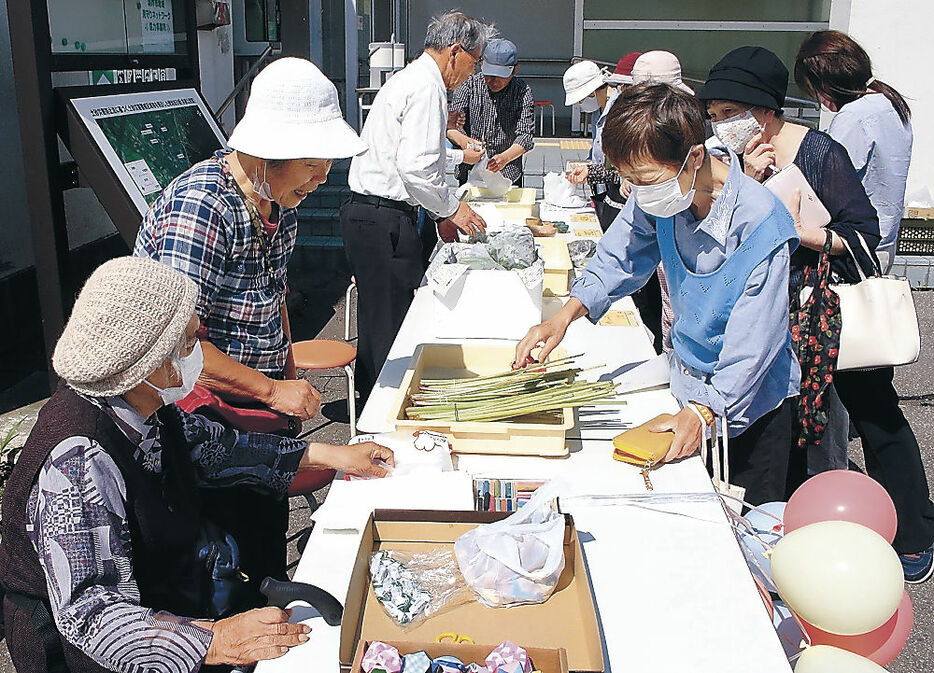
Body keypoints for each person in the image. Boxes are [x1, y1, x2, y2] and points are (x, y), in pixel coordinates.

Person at [0, 257, 395, 673]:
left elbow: (218, 448)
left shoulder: (143, 403)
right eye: (189, 343)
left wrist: (333, 455)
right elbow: (93, 614)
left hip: (159, 608)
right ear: (149, 363)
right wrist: (216, 641)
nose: (199, 358)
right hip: (91, 654)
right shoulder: (77, 463)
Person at [135, 56, 367, 602]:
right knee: (224, 562)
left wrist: (284, 378)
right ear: (267, 155)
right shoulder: (202, 209)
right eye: (311, 164)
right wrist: (269, 389)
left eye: (325, 164)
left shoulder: (274, 201)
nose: (321, 179)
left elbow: (275, 300)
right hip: (203, 422)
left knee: (264, 538)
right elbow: (173, 345)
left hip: (258, 409)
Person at [702, 46, 934, 581]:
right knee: (784, 424)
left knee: (875, 415)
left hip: (830, 312)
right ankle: (791, 534)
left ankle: (915, 533)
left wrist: (802, 232)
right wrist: (747, 185)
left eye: (727, 115)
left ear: (761, 110)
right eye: (714, 117)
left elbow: (865, 236)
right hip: (772, 314)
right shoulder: (735, 161)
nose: (721, 127)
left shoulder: (819, 152)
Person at [516, 83, 801, 506]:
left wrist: (707, 410)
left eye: (645, 179)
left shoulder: (761, 221)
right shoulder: (662, 194)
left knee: (745, 531)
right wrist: (564, 315)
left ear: (696, 157)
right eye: (629, 180)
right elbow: (619, 256)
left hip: (749, 403)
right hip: (687, 385)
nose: (637, 192)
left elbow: (754, 343)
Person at [342, 10, 492, 402]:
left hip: (371, 214)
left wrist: (458, 167)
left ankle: (371, 399)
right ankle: (381, 408)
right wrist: (450, 208)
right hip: (383, 217)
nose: (472, 75)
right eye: (474, 63)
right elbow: (416, 170)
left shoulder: (411, 79)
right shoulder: (428, 87)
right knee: (390, 323)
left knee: (379, 319)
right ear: (455, 52)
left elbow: (413, 157)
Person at [795, 30, 913, 274]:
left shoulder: (853, 116)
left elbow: (822, 180)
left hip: (853, 249)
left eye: (816, 89)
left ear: (830, 81)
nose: (820, 99)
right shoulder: (890, 103)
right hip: (883, 242)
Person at [448, 38, 535, 186]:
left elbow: (525, 136)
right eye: (489, 74)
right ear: (482, 65)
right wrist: (466, 142)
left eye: (501, 76)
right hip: (468, 172)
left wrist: (504, 158)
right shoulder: (469, 85)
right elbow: (450, 127)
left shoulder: (522, 91)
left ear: (515, 70)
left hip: (508, 175)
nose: (493, 81)